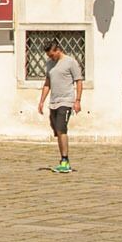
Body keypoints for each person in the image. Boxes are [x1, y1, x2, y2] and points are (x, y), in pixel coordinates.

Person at [39, 42, 84, 175]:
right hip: (54, 101)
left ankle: (65, 161)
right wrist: (41, 101)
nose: (51, 57)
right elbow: (47, 83)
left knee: (61, 128)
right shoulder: (49, 64)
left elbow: (79, 81)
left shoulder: (70, 62)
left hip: (66, 101)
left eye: (52, 55)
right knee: (57, 131)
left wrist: (78, 100)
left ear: (58, 50)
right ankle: (63, 160)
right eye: (49, 56)